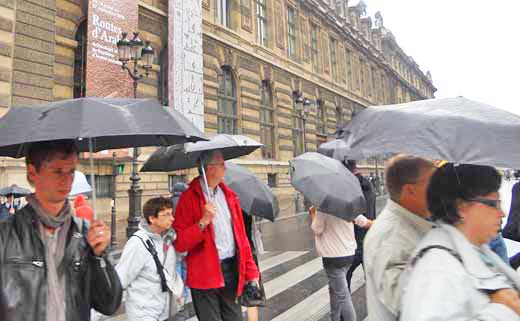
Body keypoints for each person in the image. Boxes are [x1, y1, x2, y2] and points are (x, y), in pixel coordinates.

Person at [0, 139, 122, 321]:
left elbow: (109, 304)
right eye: (57, 171)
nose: (67, 180)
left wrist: (99, 257)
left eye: (71, 171)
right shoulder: (6, 235)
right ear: (33, 173)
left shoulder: (84, 233)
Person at [400, 163, 520, 321]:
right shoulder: (436, 270)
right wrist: (502, 311)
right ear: (462, 207)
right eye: (494, 204)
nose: (502, 213)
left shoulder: (478, 249)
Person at [173, 150, 259, 321]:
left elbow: (241, 239)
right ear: (209, 168)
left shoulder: (229, 196)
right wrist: (203, 221)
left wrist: (251, 272)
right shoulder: (188, 198)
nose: (225, 167)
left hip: (231, 270)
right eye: (221, 164)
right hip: (204, 274)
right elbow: (180, 243)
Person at [363, 154, 436, 321]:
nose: (439, 190)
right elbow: (411, 305)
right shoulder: (391, 237)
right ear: (410, 190)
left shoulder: (413, 222)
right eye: (433, 184)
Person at [116, 196, 183, 321]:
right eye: (166, 214)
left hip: (165, 311)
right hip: (143, 313)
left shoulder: (168, 240)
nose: (172, 218)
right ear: (152, 219)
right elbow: (121, 278)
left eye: (171, 213)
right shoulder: (137, 243)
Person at [310, 206, 357, 321]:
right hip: (349, 254)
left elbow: (317, 229)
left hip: (333, 258)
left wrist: (313, 214)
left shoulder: (323, 208)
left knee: (342, 296)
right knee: (334, 290)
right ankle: (334, 318)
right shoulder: (347, 205)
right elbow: (360, 220)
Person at [344, 160, 376, 292]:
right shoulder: (367, 184)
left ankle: (344, 312)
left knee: (344, 278)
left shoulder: (351, 187)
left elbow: (352, 214)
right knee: (373, 281)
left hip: (355, 241)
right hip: (370, 239)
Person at [242, 211, 266, 321]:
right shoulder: (246, 207)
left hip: (232, 256)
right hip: (248, 251)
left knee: (230, 300)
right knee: (252, 298)